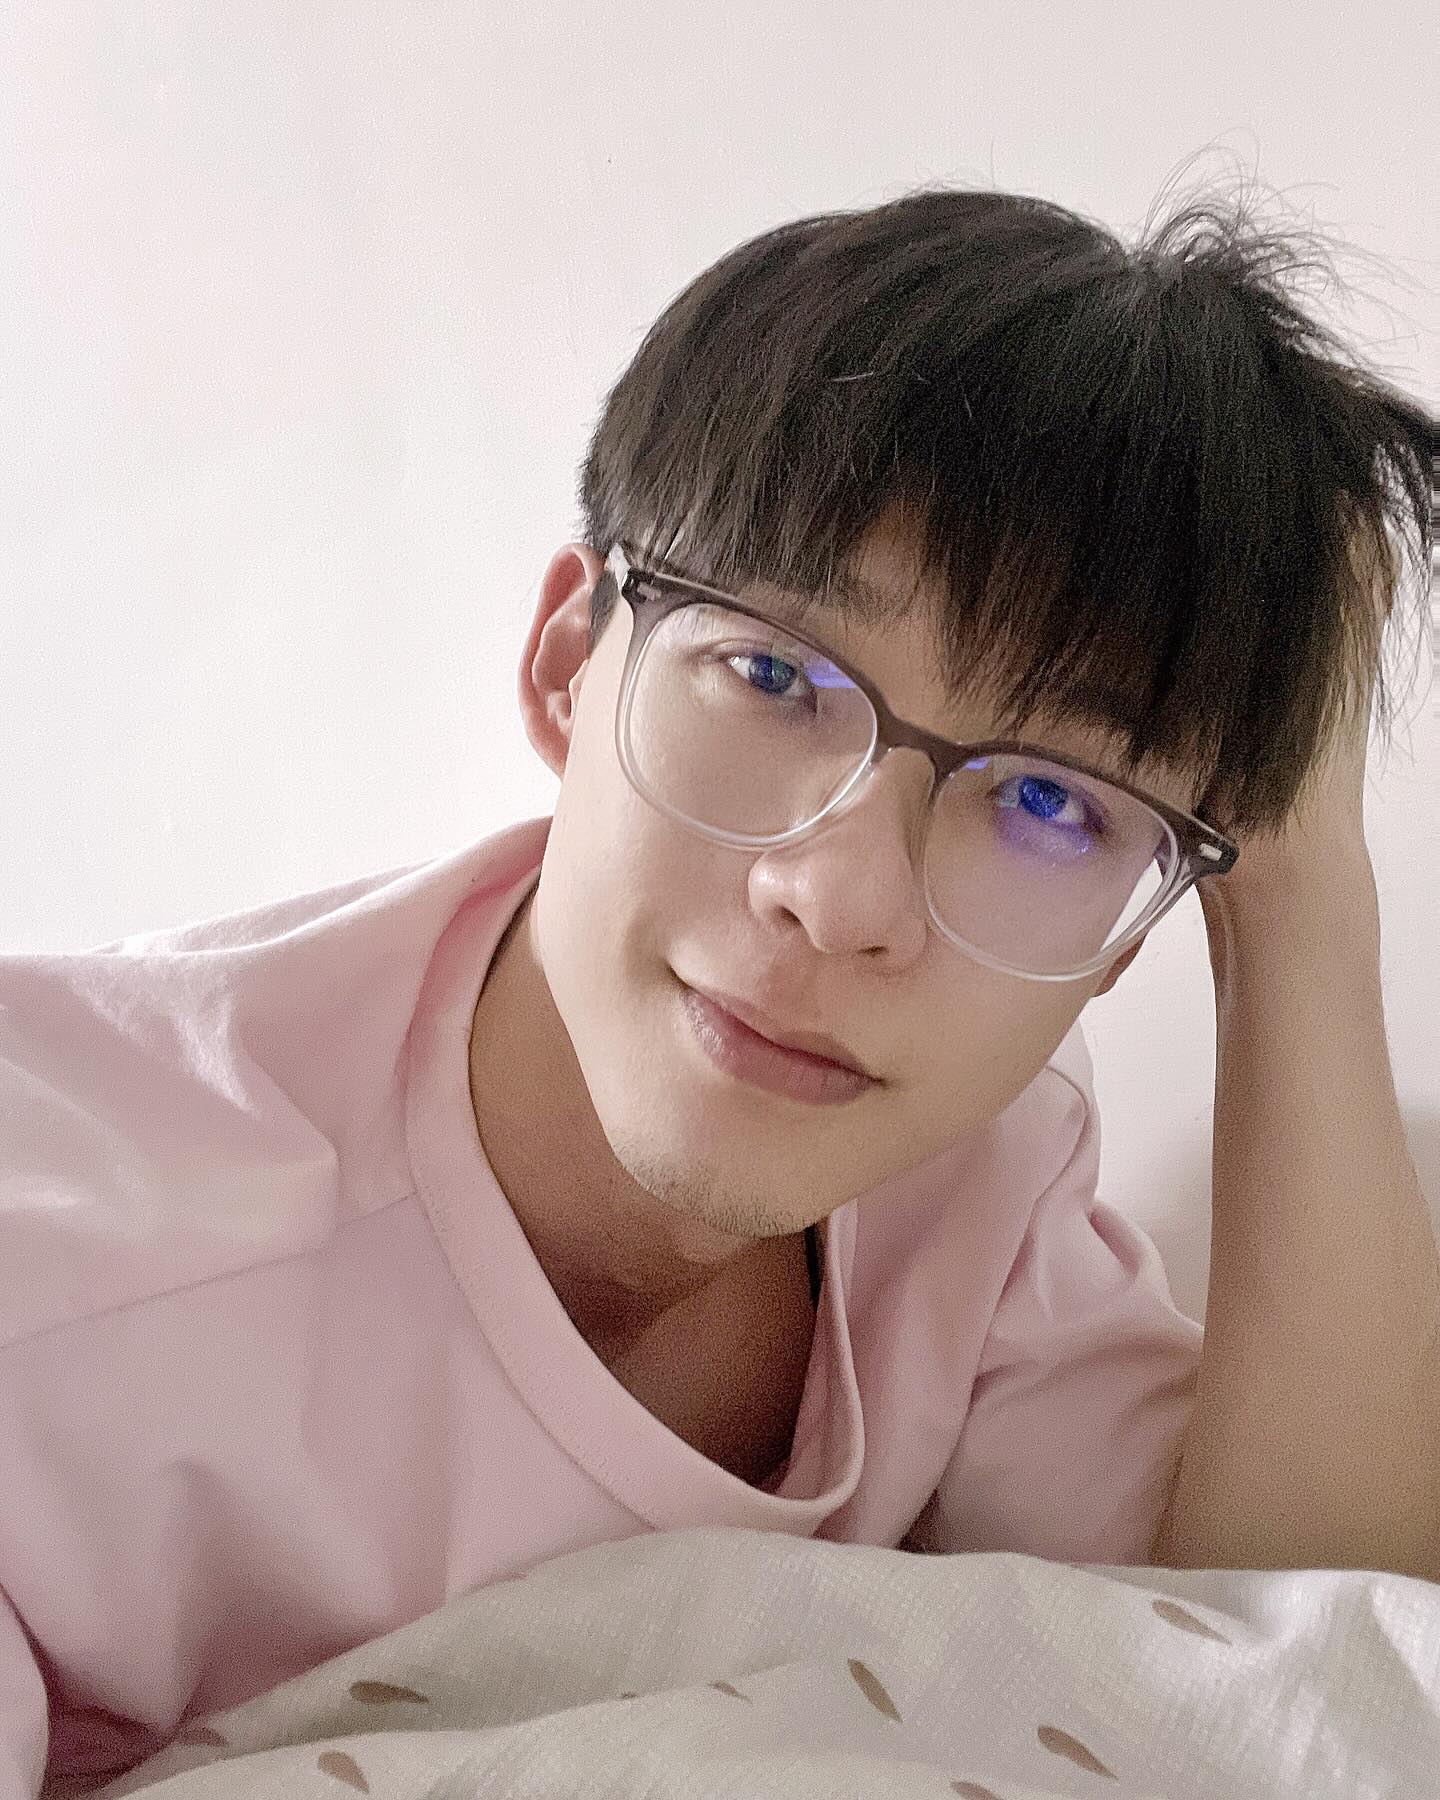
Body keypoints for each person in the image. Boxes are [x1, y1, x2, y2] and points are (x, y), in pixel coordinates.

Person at [1, 182, 1431, 1798]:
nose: (844, 898)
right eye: (770, 674)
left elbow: (1315, 1661)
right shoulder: (68, 1260)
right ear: (567, 663)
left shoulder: (983, 1181)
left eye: (1050, 801)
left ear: (1129, 931)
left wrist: (1305, 908)